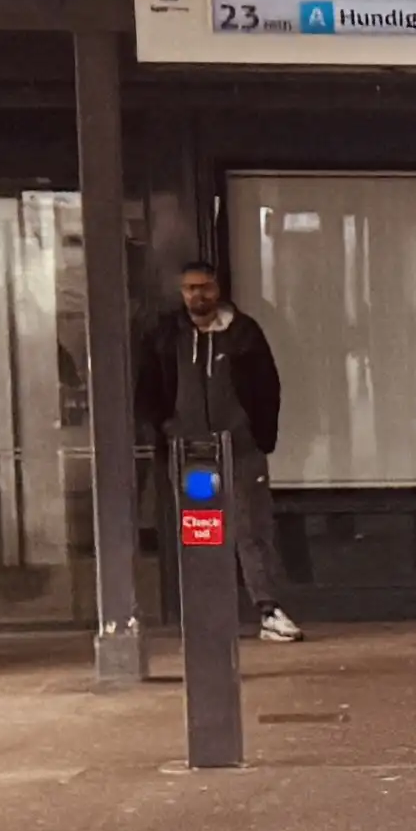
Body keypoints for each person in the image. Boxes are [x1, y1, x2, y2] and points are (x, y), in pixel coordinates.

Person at [132, 256, 299, 646]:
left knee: (251, 528)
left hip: (240, 449)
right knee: (201, 530)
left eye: (204, 287)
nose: (197, 295)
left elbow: (266, 388)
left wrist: (259, 437)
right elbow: (148, 390)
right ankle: (206, 616)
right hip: (191, 454)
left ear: (217, 288)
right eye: (190, 288)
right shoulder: (165, 335)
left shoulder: (243, 334)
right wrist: (168, 429)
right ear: (181, 292)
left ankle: (268, 609)